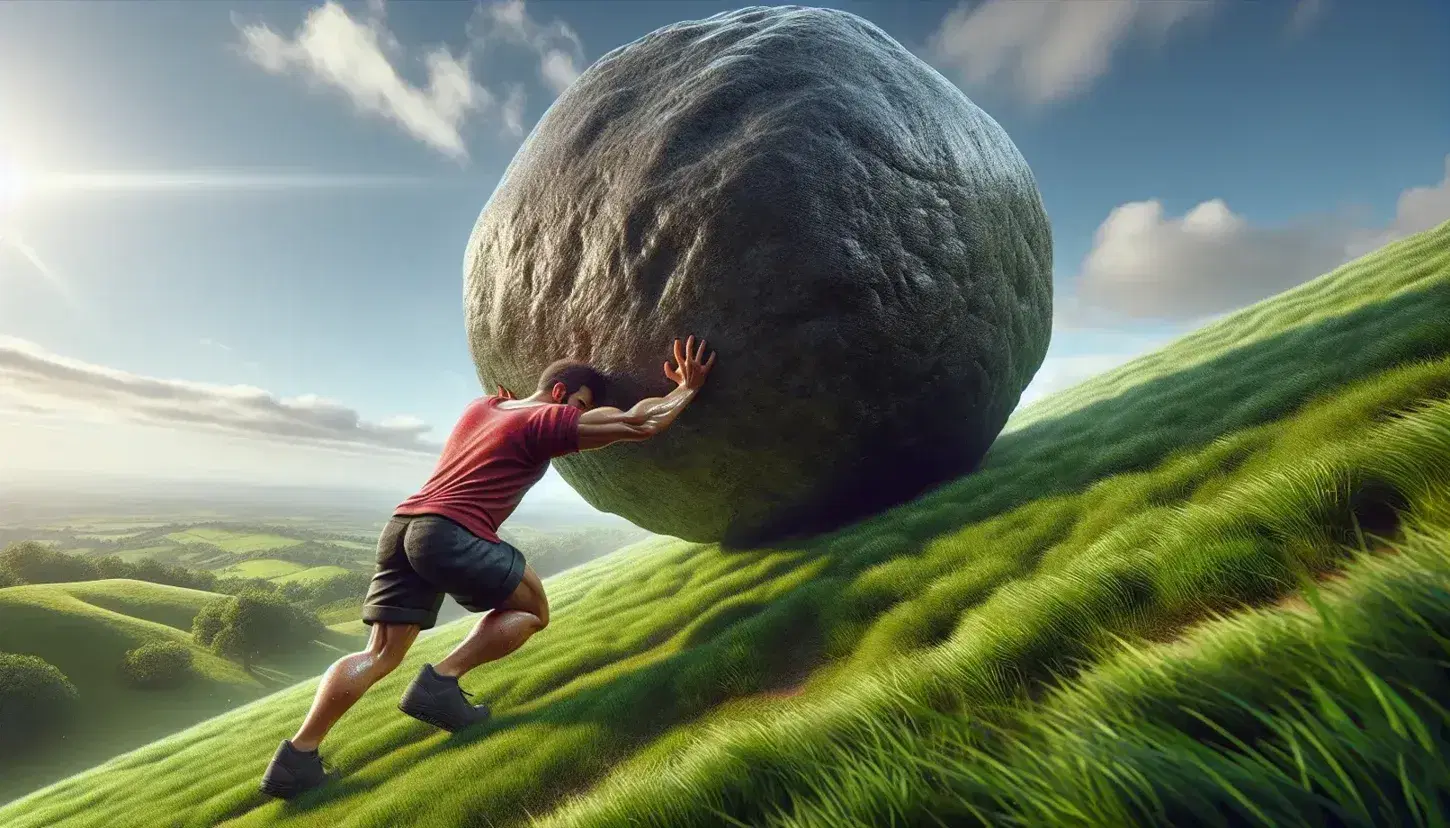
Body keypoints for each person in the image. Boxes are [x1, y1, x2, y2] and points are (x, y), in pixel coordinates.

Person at [260, 336, 717, 799]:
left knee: (378, 653)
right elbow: (641, 421)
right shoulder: (548, 419)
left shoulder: (482, 407)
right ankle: (440, 684)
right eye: (580, 404)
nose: (578, 414)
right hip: (449, 532)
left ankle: (296, 759)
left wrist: (515, 397)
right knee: (533, 609)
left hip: (401, 525)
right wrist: (686, 390)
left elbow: (506, 401)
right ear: (562, 394)